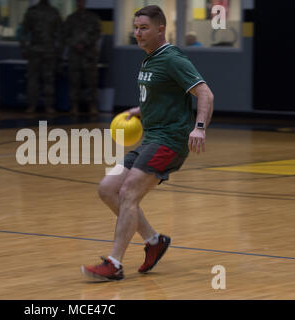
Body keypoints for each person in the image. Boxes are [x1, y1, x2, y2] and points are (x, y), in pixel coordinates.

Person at [81, 5, 214, 281]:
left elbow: (205, 94)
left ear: (160, 29)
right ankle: (154, 241)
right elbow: (165, 92)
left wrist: (199, 128)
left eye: (144, 28)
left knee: (129, 192)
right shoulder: (149, 58)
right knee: (108, 189)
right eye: (136, 28)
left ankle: (114, 264)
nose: (138, 33)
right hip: (152, 136)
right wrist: (140, 110)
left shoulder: (172, 58)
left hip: (171, 139)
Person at [20, 0, 63, 114]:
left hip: (49, 51)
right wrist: (24, 48)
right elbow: (24, 31)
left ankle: (49, 106)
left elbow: (59, 33)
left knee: (49, 79)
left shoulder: (54, 12)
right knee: (32, 80)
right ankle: (32, 105)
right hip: (34, 51)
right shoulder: (31, 12)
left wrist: (59, 51)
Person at [63, 0, 101, 115]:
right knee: (74, 81)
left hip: (89, 55)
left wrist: (84, 43)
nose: (80, 4)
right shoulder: (70, 19)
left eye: (82, 2)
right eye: (78, 2)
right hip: (75, 55)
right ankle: (74, 106)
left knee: (92, 82)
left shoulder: (93, 18)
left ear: (85, 3)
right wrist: (75, 44)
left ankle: (92, 106)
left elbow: (97, 34)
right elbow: (64, 35)